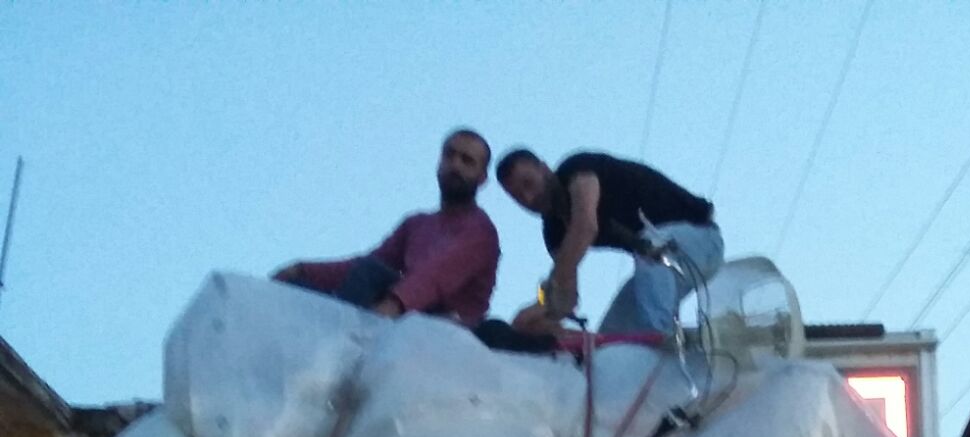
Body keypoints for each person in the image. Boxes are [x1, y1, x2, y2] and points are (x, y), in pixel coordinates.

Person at [274, 129, 499, 326]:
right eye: (449, 155)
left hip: (445, 329)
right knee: (296, 289)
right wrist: (303, 270)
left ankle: (336, 342)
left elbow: (435, 276)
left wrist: (393, 305)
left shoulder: (480, 231)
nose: (455, 165)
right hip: (404, 314)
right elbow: (369, 262)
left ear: (482, 178)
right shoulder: (417, 224)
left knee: (369, 275)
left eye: (467, 161)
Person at [496, 148, 724, 336]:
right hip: (659, 263)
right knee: (611, 338)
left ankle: (662, 339)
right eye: (518, 197)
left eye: (528, 184)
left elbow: (585, 226)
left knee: (649, 245)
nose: (528, 198)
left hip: (702, 239)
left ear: (544, 169)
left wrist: (551, 289)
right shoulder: (554, 231)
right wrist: (541, 313)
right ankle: (653, 349)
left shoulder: (576, 170)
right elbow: (566, 296)